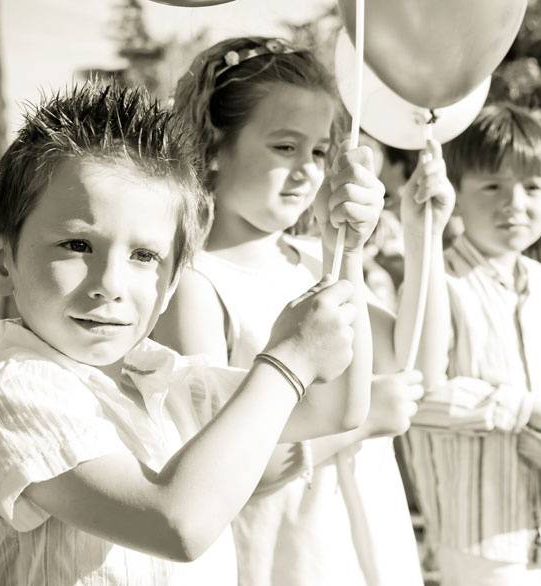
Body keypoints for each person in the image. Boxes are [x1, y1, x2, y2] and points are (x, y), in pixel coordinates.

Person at [0, 81, 372, 586]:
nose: (110, 285)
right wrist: (288, 360)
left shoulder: (168, 380)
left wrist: (350, 251)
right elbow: (176, 522)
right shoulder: (9, 387)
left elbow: (336, 407)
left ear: (171, 283)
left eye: (144, 256)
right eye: (78, 244)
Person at [154, 36, 423, 586]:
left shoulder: (310, 259)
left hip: (366, 533)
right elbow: (214, 476)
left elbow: (415, 357)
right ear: (212, 146)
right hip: (288, 550)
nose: (308, 171)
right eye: (284, 147)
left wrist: (423, 232)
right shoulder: (195, 284)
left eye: (319, 152)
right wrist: (362, 423)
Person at [403, 103, 541, 586]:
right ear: (456, 193)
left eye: (532, 187)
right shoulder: (438, 282)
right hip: (481, 537)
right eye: (493, 187)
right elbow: (418, 398)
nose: (515, 204)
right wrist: (519, 409)